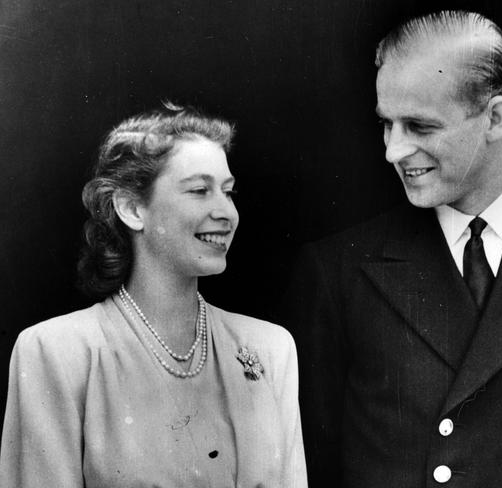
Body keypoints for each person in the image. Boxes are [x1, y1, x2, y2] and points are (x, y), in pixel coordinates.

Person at [284, 10, 502, 488]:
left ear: (495, 117)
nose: (394, 150)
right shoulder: (339, 271)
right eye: (386, 124)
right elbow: (313, 467)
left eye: (419, 126)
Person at [0, 103, 307, 487]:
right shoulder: (57, 352)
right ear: (131, 209)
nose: (226, 212)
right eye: (199, 190)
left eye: (228, 192)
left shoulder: (270, 349)